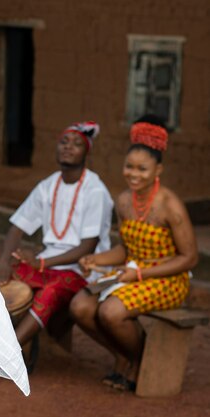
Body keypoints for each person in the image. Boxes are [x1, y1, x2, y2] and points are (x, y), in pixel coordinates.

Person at [0, 121, 114, 384]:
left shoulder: (95, 190)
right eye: (64, 142)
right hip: (47, 264)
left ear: (87, 152)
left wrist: (43, 260)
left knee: (50, 293)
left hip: (82, 270)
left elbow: (87, 248)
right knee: (3, 281)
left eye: (77, 144)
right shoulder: (49, 186)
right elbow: (17, 226)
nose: (69, 148)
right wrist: (2, 262)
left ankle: (4, 358)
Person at [69, 115, 198, 392]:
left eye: (143, 169)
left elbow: (189, 259)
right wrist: (96, 260)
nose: (134, 174)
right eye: (129, 167)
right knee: (80, 306)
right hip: (132, 273)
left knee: (111, 312)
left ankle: (139, 360)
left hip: (169, 278)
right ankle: (123, 356)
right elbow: (127, 249)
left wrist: (140, 273)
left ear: (158, 170)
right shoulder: (125, 200)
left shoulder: (170, 205)